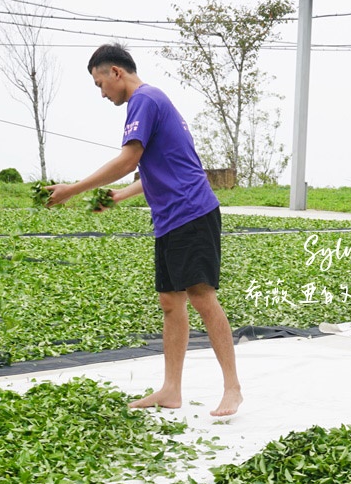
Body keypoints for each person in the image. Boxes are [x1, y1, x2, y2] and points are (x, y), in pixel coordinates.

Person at [47, 43, 243, 417]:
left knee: (202, 297)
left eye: (99, 83)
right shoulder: (151, 102)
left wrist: (72, 190)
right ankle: (171, 389)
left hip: (192, 212)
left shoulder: (145, 100)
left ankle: (232, 388)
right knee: (171, 302)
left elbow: (129, 160)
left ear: (116, 72)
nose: (102, 93)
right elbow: (157, 166)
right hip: (169, 217)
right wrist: (119, 196)